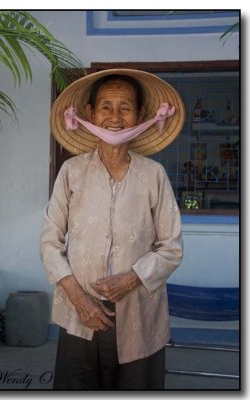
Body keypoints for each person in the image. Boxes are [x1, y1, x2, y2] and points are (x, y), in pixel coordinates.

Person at [40, 68, 185, 390]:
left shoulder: (153, 174)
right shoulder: (71, 171)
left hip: (138, 311)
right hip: (79, 311)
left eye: (125, 107)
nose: (115, 116)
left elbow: (172, 246)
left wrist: (132, 278)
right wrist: (78, 298)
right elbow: (50, 241)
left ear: (140, 116)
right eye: (106, 106)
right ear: (90, 113)